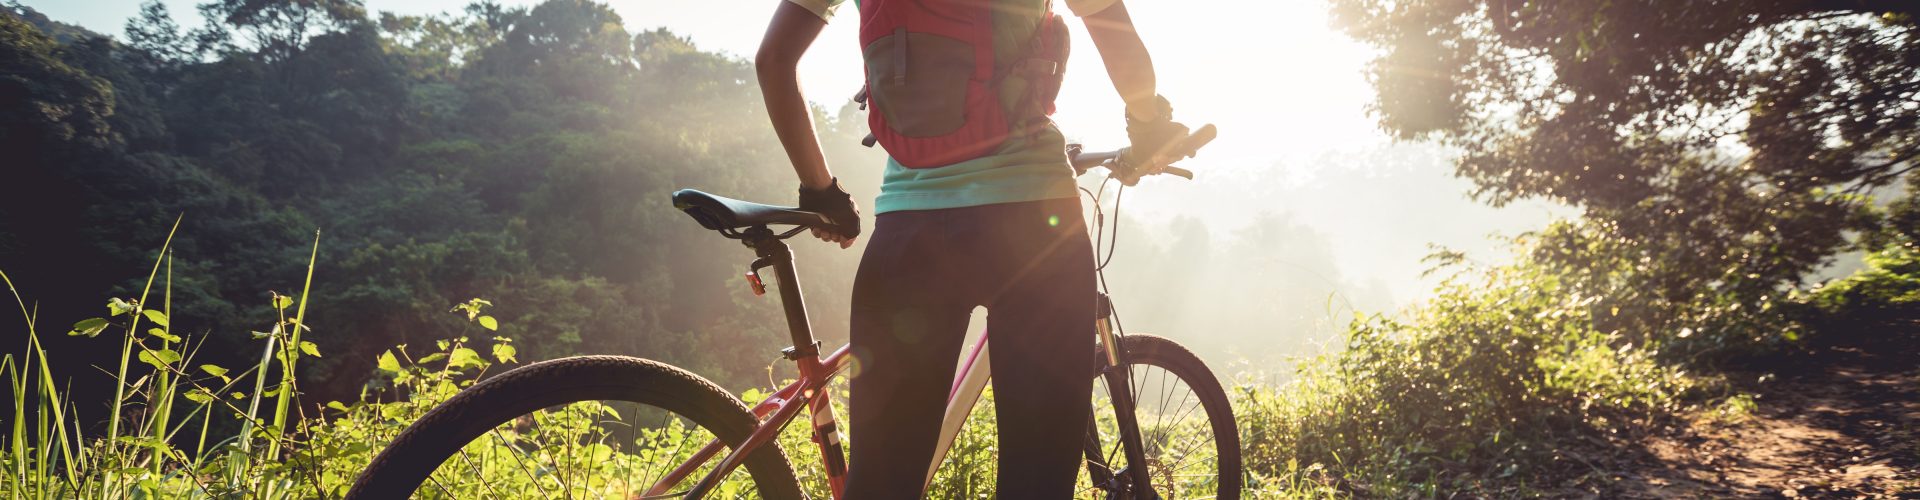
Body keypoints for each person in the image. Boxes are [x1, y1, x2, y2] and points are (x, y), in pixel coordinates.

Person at [755, 0, 1191, 496]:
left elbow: (774, 62)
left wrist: (820, 190)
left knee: (880, 483)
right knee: (1037, 479)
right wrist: (1149, 120)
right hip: (1034, 225)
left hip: (907, 232)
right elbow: (1111, 25)